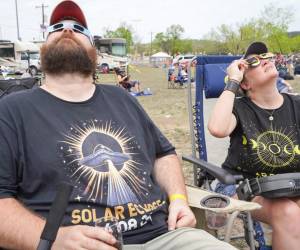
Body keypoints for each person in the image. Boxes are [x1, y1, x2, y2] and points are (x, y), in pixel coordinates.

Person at [0, 1, 236, 250]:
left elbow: (163, 154)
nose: (67, 30)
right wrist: (53, 237)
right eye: (57, 27)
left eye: (79, 28)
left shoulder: (121, 98)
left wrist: (178, 199)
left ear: (95, 52)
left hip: (165, 237)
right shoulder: (12, 110)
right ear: (43, 48)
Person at [208, 41, 300, 250]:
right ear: (245, 84)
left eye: (266, 56)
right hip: (244, 186)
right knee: (288, 212)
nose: (264, 61)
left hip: (292, 185)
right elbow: (217, 128)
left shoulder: (297, 105)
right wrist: (232, 81)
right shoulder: (240, 108)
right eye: (253, 62)